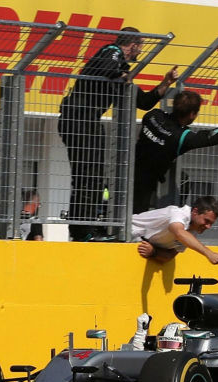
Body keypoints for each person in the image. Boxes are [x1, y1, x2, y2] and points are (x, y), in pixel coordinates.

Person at [58, 26, 180, 242]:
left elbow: (144, 101)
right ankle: (83, 230)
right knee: (88, 176)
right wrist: (124, 76)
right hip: (79, 117)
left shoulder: (121, 71)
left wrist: (166, 82)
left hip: (88, 120)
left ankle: (84, 228)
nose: (140, 52)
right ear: (133, 45)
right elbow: (109, 68)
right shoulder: (111, 51)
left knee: (92, 177)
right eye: (140, 47)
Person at [132, 90, 218, 213]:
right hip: (144, 181)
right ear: (192, 114)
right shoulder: (182, 137)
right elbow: (213, 136)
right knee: (136, 216)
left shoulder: (153, 115)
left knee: (182, 178)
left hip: (129, 166)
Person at [132, 195, 218, 264]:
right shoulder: (178, 213)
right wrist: (209, 254)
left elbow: (169, 256)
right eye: (206, 221)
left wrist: (153, 252)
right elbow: (179, 233)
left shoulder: (191, 232)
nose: (208, 226)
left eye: (211, 223)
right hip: (127, 235)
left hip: (140, 244)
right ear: (195, 211)